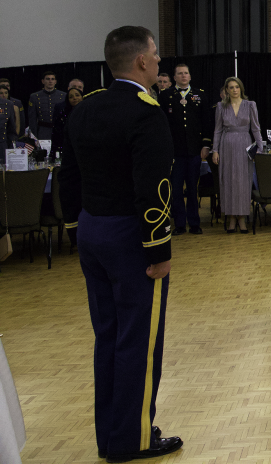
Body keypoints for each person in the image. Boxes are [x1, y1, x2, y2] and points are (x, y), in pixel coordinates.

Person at [58, 25, 183, 462]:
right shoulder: (145, 112)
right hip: (132, 237)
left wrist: (75, 229)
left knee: (108, 337)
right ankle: (133, 439)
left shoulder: (86, 108)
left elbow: (68, 176)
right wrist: (160, 251)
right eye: (155, 53)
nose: (159, 60)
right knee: (138, 341)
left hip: (91, 231)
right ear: (141, 61)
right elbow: (154, 188)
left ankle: (111, 434)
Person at [160, 64, 211, 235]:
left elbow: (206, 122)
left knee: (192, 188)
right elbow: (162, 125)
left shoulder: (199, 95)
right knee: (176, 189)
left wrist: (206, 145)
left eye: (186, 73)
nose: (183, 76)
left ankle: (194, 223)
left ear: (190, 76)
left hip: (194, 150)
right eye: (180, 73)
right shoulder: (166, 96)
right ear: (174, 77)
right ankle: (180, 224)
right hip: (175, 151)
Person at [212, 77, 262, 233]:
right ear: (226, 90)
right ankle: (231, 217)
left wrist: (259, 147)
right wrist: (215, 150)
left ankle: (242, 217)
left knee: (242, 182)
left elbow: (255, 128)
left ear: (241, 88)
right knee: (228, 181)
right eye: (231, 87)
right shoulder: (221, 106)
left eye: (237, 87)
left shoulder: (250, 105)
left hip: (244, 145)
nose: (234, 90)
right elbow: (217, 130)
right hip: (226, 145)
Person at [28, 71, 66, 140]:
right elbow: (32, 118)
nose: (50, 81)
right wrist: (34, 135)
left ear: (55, 82)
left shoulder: (63, 96)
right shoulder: (34, 97)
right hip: (42, 131)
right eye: (48, 79)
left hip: (59, 130)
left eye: (52, 79)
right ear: (43, 81)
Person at [51, 88, 83, 158]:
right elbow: (57, 136)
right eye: (71, 97)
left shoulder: (89, 113)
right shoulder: (63, 115)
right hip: (68, 149)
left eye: (77, 95)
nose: (74, 98)